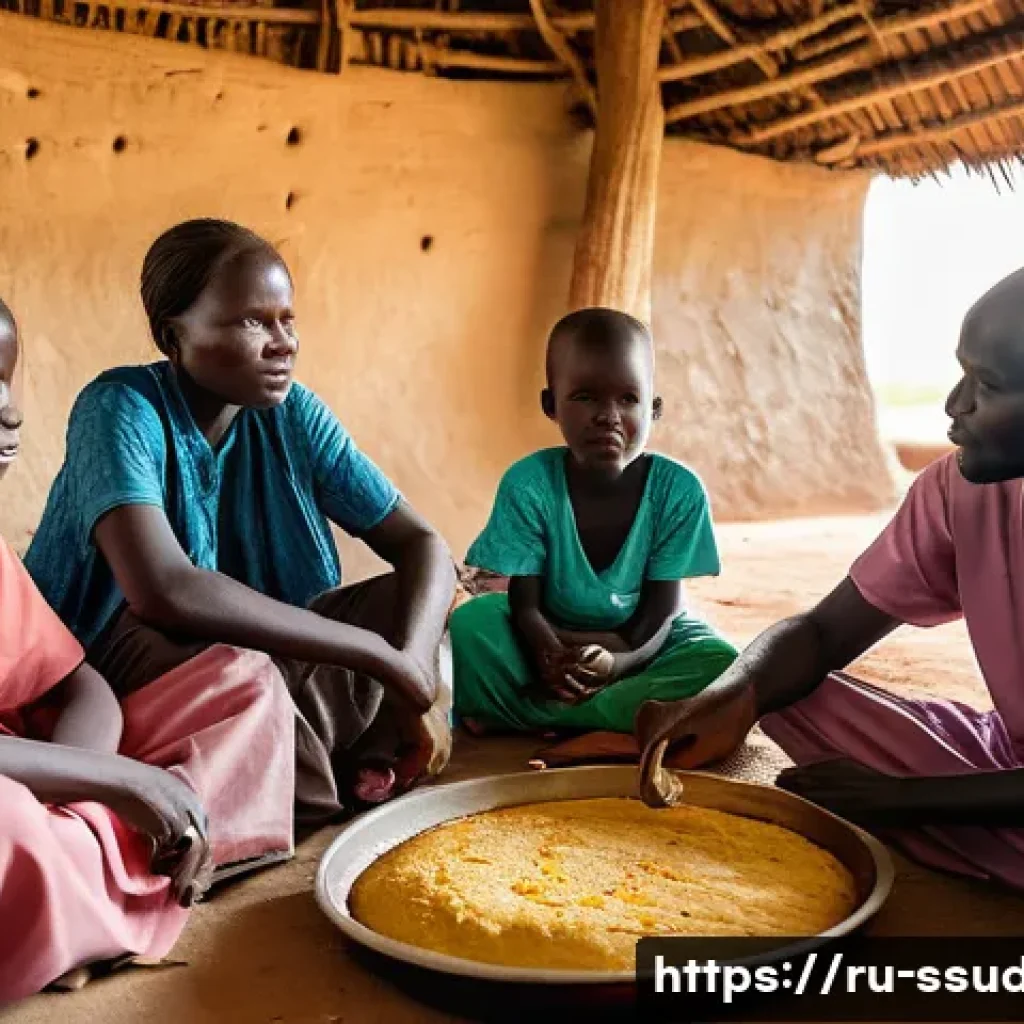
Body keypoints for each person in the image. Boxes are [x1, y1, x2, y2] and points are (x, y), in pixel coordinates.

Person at [25, 219, 456, 821]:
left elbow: (422, 544)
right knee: (232, 665)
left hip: (259, 656)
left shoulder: (295, 414)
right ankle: (315, 787)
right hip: (120, 666)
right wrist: (380, 659)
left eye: (287, 318)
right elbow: (164, 591)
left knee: (413, 605)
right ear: (172, 335)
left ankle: (331, 764)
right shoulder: (119, 408)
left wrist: (410, 663)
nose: (283, 342)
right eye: (252, 321)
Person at [636, 266, 1024, 892]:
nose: (956, 404)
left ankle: (958, 823)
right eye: (961, 371)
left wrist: (900, 801)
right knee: (786, 685)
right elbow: (820, 632)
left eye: (990, 385)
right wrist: (729, 694)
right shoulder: (960, 493)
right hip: (1007, 759)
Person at [0, 298, 295, 1004]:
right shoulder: (120, 409)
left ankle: (88, 876)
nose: (9, 410)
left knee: (242, 685)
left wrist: (81, 779)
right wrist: (122, 787)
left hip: (44, 774)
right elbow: (164, 586)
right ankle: (129, 869)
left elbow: (78, 685)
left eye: (8, 377)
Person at [450, 307, 737, 741]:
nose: (608, 415)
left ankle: (538, 717)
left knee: (719, 661)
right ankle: (617, 718)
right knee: (473, 625)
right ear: (551, 404)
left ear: (653, 408)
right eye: (585, 397)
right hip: (547, 642)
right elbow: (524, 606)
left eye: (628, 399)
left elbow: (658, 617)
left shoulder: (677, 491)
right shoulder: (530, 483)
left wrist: (611, 664)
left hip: (644, 645)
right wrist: (550, 656)